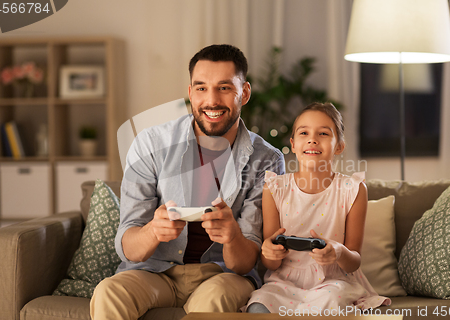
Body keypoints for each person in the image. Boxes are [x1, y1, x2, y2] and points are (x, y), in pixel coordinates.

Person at [90, 44, 285, 319]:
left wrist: (232, 237)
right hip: (154, 271)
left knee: (216, 299)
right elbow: (129, 245)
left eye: (225, 88)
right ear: (191, 93)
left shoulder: (267, 160)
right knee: (109, 292)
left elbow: (245, 262)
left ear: (245, 93)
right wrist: (152, 232)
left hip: (222, 274)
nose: (212, 100)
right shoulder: (151, 144)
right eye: (202, 88)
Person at [245, 102, 391, 314]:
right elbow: (271, 263)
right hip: (283, 284)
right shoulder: (275, 188)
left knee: (332, 299)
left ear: (339, 146)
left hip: (333, 282)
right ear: (293, 144)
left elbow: (353, 262)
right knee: (258, 305)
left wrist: (339, 252)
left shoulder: (353, 189)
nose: (312, 139)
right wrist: (269, 252)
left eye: (323, 133)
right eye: (304, 132)